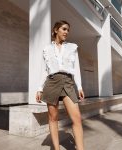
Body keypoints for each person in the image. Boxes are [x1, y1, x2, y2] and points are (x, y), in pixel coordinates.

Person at [36, 20, 84, 150]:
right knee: (53, 118)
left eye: (68, 30)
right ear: (56, 30)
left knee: (77, 119)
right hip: (52, 82)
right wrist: (40, 88)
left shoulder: (73, 47)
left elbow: (76, 68)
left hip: (68, 82)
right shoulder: (47, 49)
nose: (66, 32)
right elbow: (44, 70)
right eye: (64, 29)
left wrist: (79, 86)